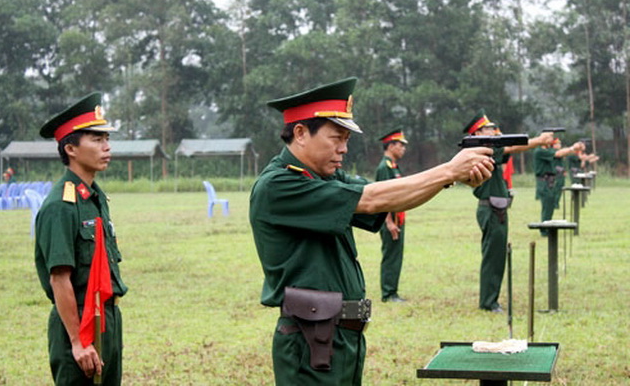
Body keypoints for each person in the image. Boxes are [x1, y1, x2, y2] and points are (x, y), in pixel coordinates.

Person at [250, 77, 494, 385]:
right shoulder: (279, 184)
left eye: (346, 140)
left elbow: (387, 196)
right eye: (336, 138)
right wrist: (448, 170)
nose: (343, 149)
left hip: (339, 337)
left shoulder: (323, 177)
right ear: (300, 133)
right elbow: (373, 199)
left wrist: (450, 179)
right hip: (310, 341)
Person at [34, 92, 128, 385]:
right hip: (78, 324)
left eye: (107, 139)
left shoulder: (95, 197)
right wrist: (77, 341)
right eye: (97, 139)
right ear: (72, 148)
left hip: (108, 320)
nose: (106, 146)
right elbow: (60, 278)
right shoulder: (60, 206)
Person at [463, 109, 554, 312]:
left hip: (496, 209)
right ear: (477, 134)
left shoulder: (486, 149)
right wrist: (539, 140)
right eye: (488, 129)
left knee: (496, 256)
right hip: (492, 209)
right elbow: (512, 147)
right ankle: (488, 302)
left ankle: (490, 299)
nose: (493, 131)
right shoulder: (482, 149)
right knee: (492, 257)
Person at [375, 128, 408, 303]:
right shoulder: (384, 167)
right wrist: (389, 223)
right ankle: (388, 294)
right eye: (400, 145)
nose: (403, 148)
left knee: (396, 255)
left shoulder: (394, 166)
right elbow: (383, 197)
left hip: (398, 218)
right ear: (391, 146)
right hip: (390, 220)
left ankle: (393, 291)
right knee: (390, 256)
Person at [534, 136, 584, 235]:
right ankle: (544, 229)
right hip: (544, 181)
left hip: (549, 181)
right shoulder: (540, 151)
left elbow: (561, 152)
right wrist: (573, 148)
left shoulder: (547, 151)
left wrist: (572, 149)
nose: (551, 141)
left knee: (550, 204)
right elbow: (559, 153)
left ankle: (547, 226)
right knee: (547, 205)